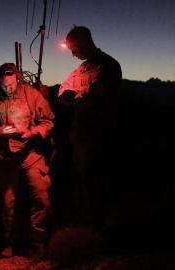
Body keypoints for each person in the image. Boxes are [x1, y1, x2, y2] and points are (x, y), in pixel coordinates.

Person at [0, 63, 55, 258]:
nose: (7, 89)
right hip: (5, 157)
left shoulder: (31, 94)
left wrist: (33, 132)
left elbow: (48, 121)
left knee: (40, 198)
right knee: (7, 202)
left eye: (10, 85)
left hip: (30, 155)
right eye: (4, 86)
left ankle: (39, 243)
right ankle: (10, 243)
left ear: (18, 79)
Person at [58, 25, 123, 227]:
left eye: (74, 49)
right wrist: (76, 95)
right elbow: (62, 91)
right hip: (80, 135)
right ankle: (89, 223)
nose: (72, 54)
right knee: (83, 179)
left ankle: (103, 227)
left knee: (100, 180)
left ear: (84, 43)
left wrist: (77, 96)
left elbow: (96, 95)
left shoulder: (108, 66)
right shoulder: (81, 69)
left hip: (101, 134)